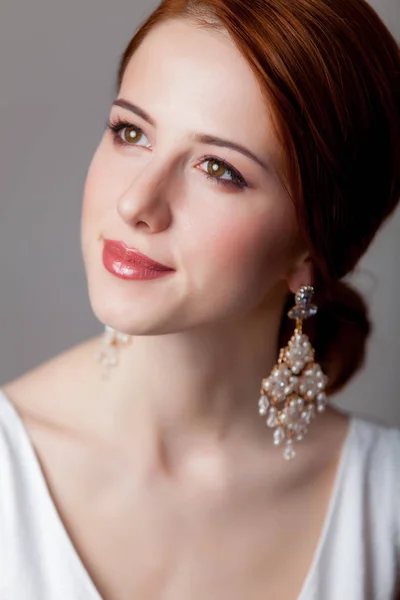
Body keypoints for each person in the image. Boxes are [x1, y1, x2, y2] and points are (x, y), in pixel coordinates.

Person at [0, 0, 399, 598]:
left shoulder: (386, 510)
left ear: (310, 248)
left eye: (219, 168)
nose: (137, 203)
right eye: (129, 132)